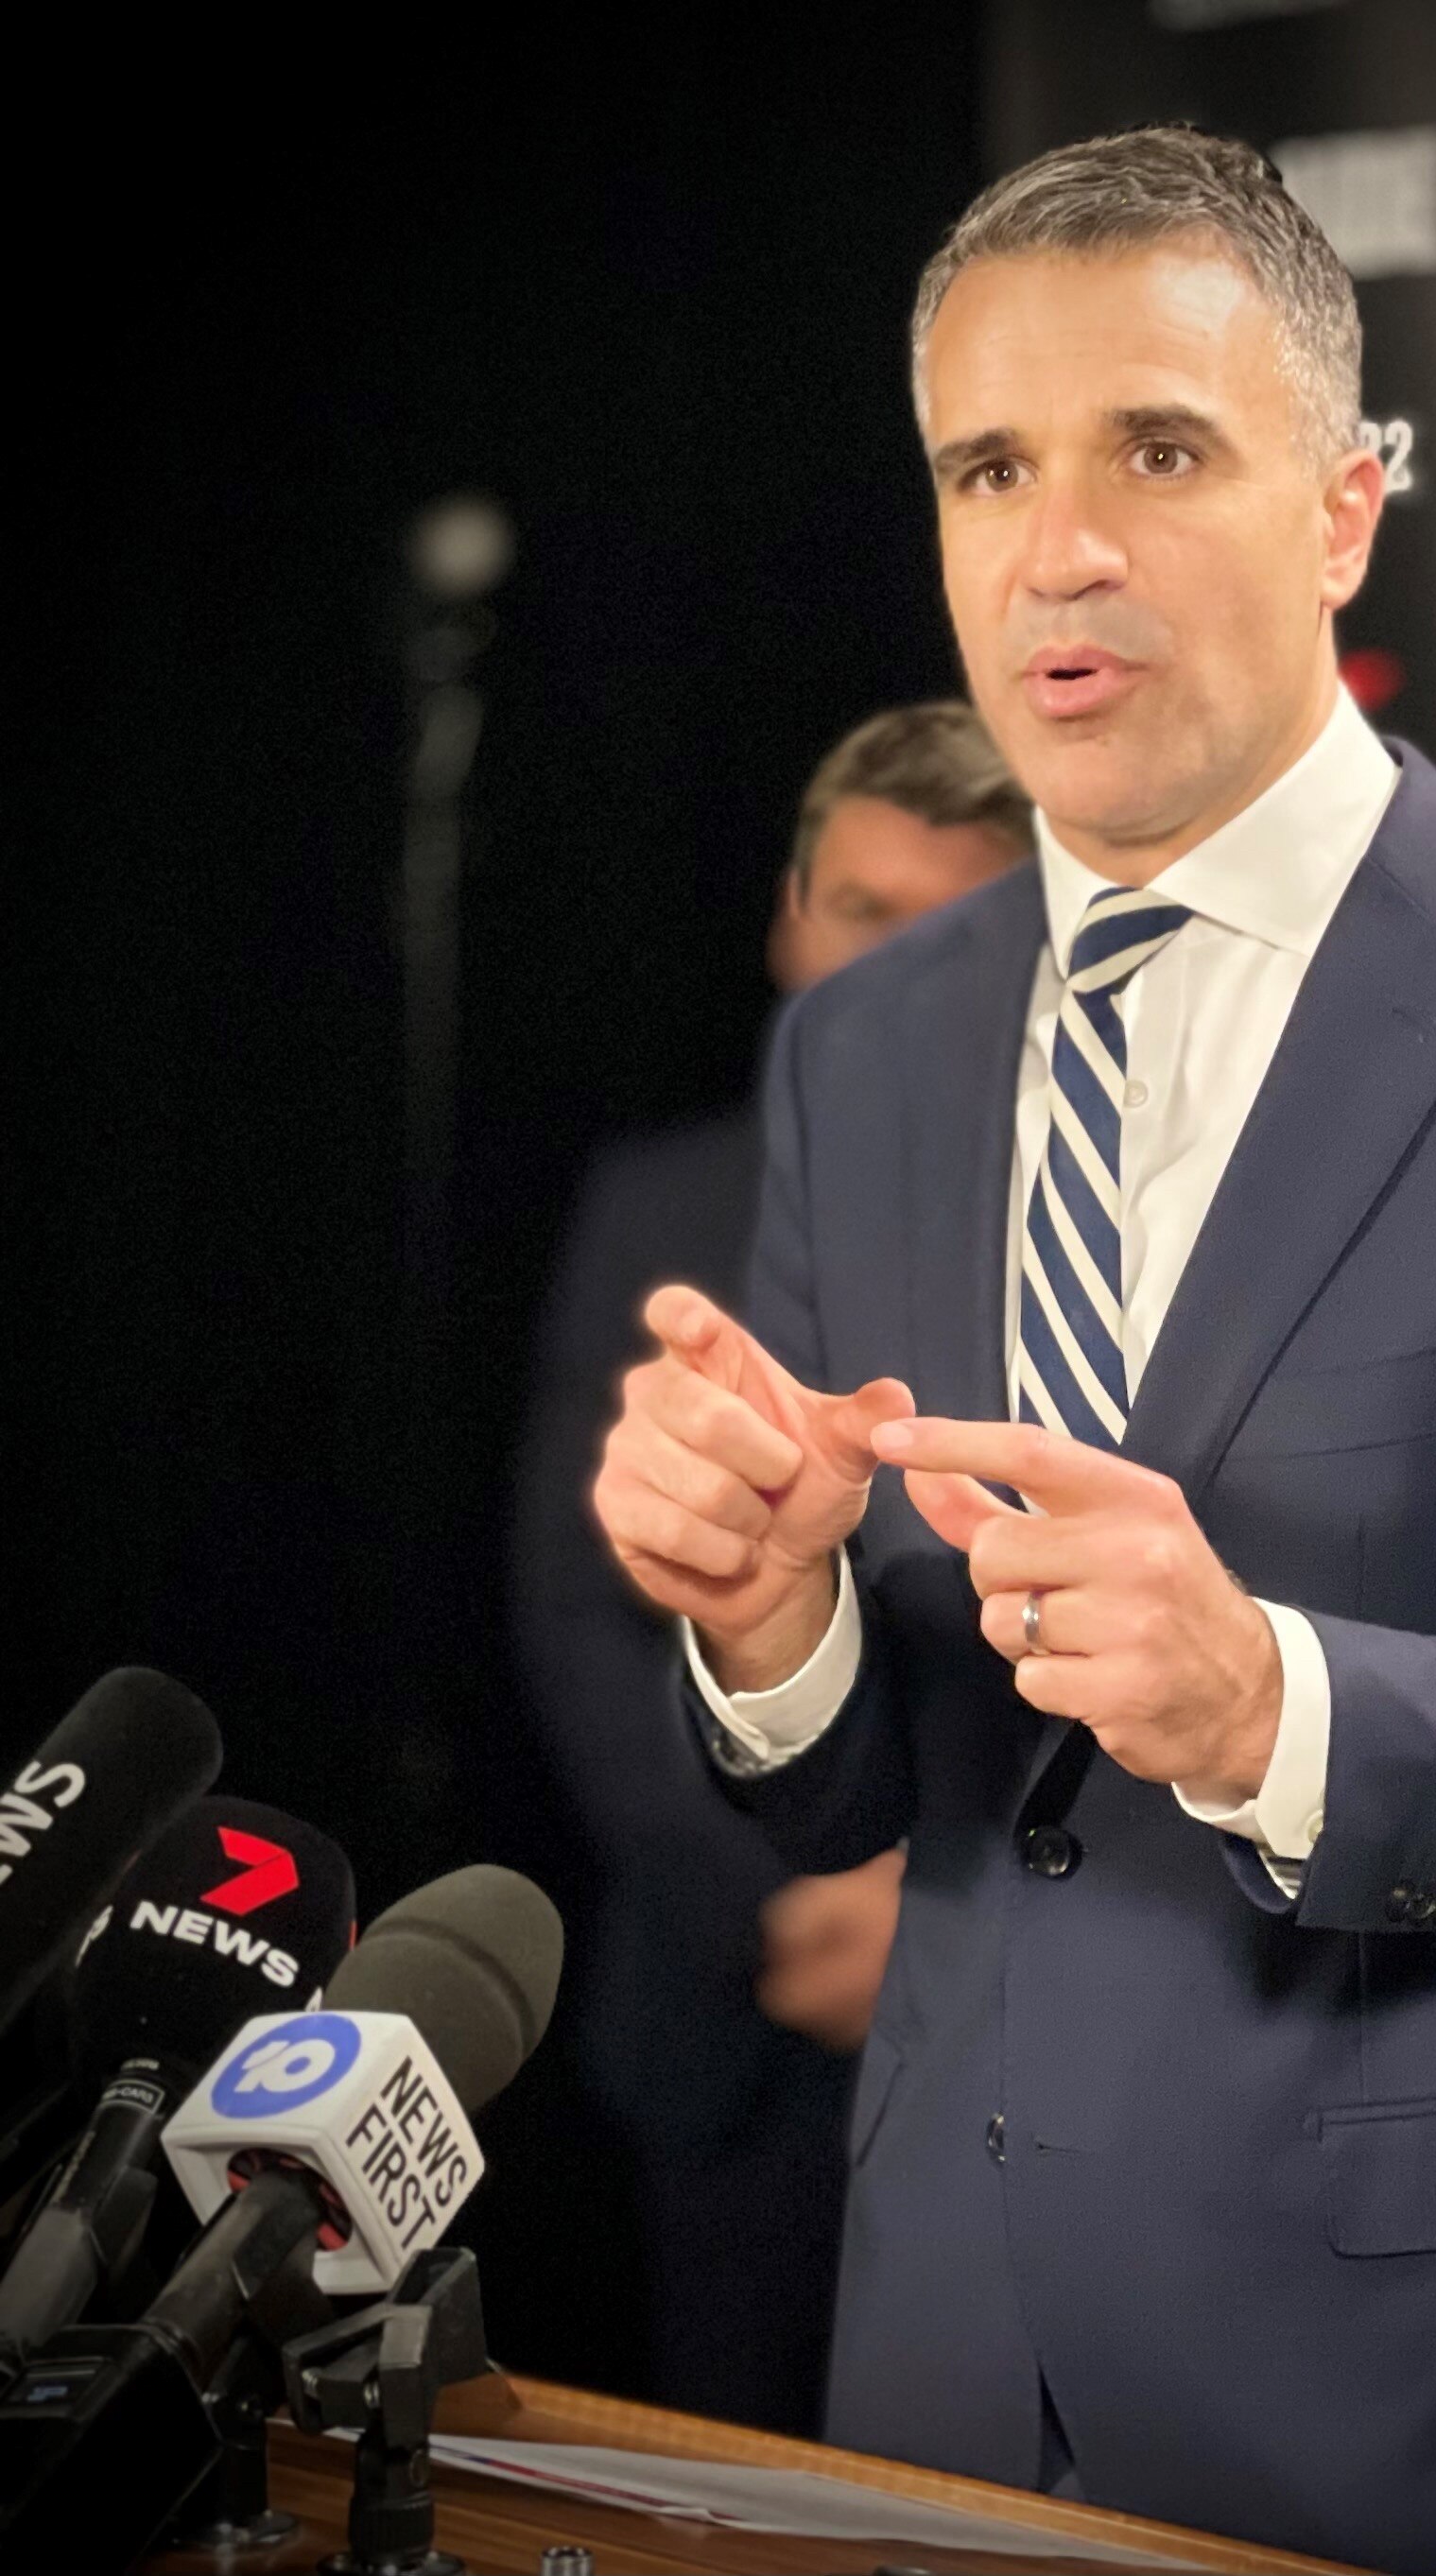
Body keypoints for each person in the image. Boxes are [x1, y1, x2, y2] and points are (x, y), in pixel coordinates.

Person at [591, 129, 1436, 2576]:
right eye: (986, 466)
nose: (1055, 545)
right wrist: (770, 1622)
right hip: (942, 2377)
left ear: (1341, 511)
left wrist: (1276, 1709)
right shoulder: (868, 1043)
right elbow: (872, 1793)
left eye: (1155, 449)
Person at [512, 700, 1030, 2430]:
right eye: (866, 914)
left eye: (956, 926)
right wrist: (784, 1893)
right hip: (733, 2015)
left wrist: (932, 1911)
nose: (900, 967)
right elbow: (582, 1614)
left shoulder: (1109, 1212)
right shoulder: (654, 1205)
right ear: (793, 916)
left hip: (1026, 2013)